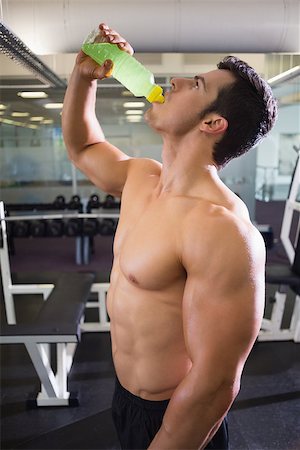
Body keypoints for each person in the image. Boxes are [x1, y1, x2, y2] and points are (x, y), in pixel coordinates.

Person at [62, 23, 277, 450]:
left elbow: (215, 384)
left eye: (194, 84)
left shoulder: (221, 228)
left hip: (178, 418)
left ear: (213, 122)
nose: (173, 81)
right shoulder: (141, 178)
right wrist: (83, 79)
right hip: (124, 399)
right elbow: (84, 147)